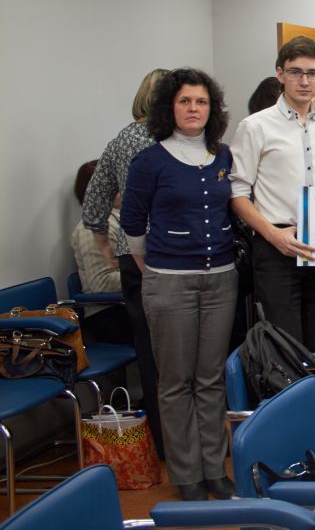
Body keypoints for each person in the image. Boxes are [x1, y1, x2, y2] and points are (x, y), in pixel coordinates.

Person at [120, 68, 238, 502]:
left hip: (221, 279)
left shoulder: (223, 156)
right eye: (185, 101)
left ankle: (214, 469)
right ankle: (187, 474)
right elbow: (133, 223)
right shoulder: (149, 161)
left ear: (212, 109)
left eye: (201, 102)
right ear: (169, 107)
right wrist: (152, 266)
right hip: (169, 283)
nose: (193, 109)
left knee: (210, 379)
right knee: (175, 382)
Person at [230, 36, 315, 353]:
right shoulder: (255, 126)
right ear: (280, 74)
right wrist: (272, 235)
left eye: (312, 73)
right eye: (296, 72)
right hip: (277, 245)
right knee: (286, 346)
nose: (304, 81)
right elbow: (237, 193)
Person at [81, 67, 168, 459]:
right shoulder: (171, 138)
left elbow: (94, 199)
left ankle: (163, 442)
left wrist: (103, 240)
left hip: (131, 255)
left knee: (148, 348)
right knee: (182, 351)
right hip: (171, 253)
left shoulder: (120, 139)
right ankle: (192, 439)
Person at [70, 161, 133, 345]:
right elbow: (101, 283)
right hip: (110, 313)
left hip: (130, 303)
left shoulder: (126, 219)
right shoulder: (90, 230)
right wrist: (148, 275)